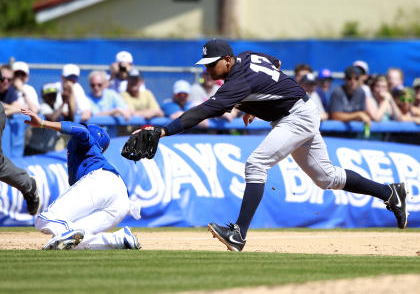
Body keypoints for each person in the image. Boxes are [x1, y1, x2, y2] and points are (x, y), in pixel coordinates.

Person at [137, 39, 409, 252]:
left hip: (296, 117)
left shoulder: (236, 83)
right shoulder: (249, 57)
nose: (207, 70)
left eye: (212, 64)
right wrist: (261, 99)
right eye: (206, 64)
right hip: (299, 111)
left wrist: (164, 130)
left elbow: (204, 110)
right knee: (327, 177)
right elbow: (275, 63)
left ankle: (238, 233)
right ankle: (390, 192)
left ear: (228, 61)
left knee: (256, 164)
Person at [21, 107, 141, 250]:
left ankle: (66, 233)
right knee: (72, 239)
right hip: (121, 201)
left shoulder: (84, 142)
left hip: (100, 181)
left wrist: (42, 123)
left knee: (45, 220)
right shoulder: (91, 153)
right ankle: (120, 239)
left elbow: (82, 131)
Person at [0, 69, 40, 215]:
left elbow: (21, 108)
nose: (6, 82)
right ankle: (28, 184)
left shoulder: (9, 92)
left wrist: (9, 108)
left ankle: (28, 185)